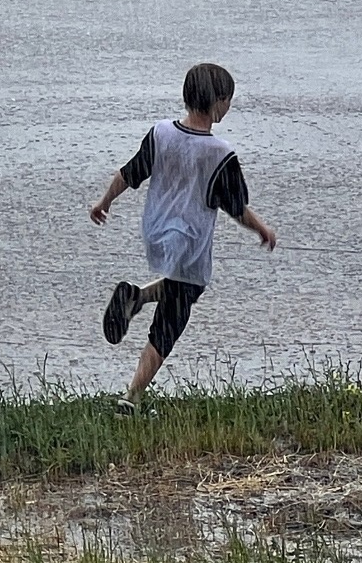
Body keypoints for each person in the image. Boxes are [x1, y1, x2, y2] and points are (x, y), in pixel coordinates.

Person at [89, 61, 277, 410]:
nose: (229, 106)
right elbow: (236, 207)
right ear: (218, 101)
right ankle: (131, 398)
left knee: (183, 288)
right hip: (189, 242)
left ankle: (137, 298)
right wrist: (263, 229)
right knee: (172, 319)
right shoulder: (219, 153)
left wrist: (103, 202)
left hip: (156, 234)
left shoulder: (160, 133)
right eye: (229, 100)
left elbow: (130, 173)